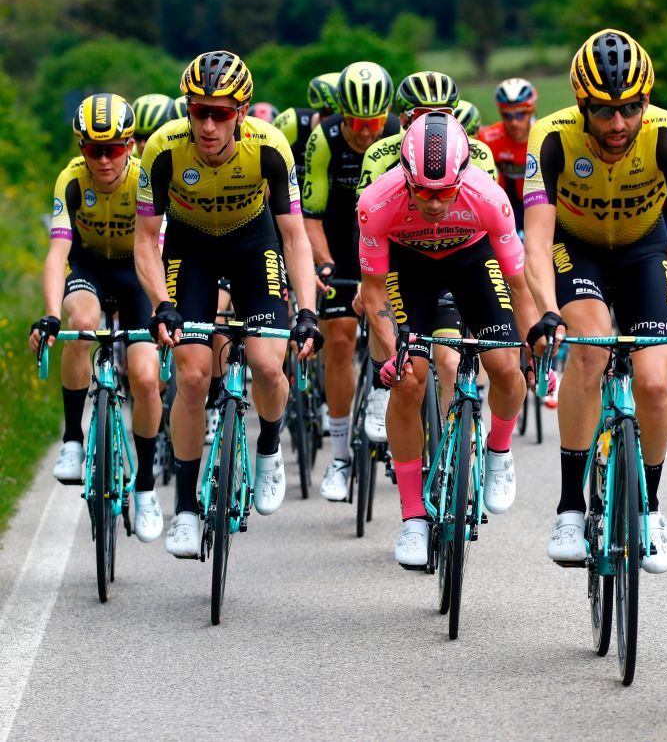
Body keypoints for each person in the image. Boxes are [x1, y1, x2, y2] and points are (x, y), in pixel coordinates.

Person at [134, 50, 322, 558]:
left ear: (240, 112)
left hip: (251, 245)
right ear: (187, 110)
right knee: (192, 377)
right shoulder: (163, 149)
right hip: (190, 250)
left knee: (266, 364)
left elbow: (294, 237)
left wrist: (305, 309)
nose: (209, 124)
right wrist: (162, 303)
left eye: (220, 113)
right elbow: (146, 239)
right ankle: (189, 508)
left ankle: (268, 447)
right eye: (199, 111)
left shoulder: (269, 147)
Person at [524, 29, 667, 575]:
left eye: (631, 109)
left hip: (645, 248)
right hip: (578, 249)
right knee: (590, 351)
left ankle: (651, 507)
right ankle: (570, 505)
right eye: (603, 111)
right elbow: (537, 242)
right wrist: (547, 310)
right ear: (580, 105)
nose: (618, 125)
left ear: (646, 101)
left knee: (657, 380)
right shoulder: (551, 137)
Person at [358, 112, 538, 567]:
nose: (434, 203)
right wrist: (392, 348)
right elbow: (374, 291)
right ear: (404, 174)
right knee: (409, 379)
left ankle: (498, 449)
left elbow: (519, 286)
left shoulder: (489, 197)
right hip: (409, 266)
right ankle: (413, 517)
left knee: (506, 370)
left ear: (463, 175)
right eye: (422, 191)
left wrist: (533, 343)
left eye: (444, 193)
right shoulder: (377, 202)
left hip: (471, 261)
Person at [29, 94, 164, 542]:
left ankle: (145, 484)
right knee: (81, 324)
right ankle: (72, 439)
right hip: (87, 267)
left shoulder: (146, 178)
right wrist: (51, 315)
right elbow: (57, 253)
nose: (104, 160)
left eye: (114, 149)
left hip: (136, 273)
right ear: (81, 147)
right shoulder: (70, 179)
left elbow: (158, 251)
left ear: (130, 145)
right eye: (93, 149)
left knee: (145, 378)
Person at [357, 71, 499, 432]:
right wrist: (362, 278)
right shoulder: (381, 153)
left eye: (443, 114)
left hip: (460, 255)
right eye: (420, 116)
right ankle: (379, 386)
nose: (432, 125)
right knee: (377, 305)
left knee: (451, 362)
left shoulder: (477, 152)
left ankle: (459, 441)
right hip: (400, 257)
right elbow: (361, 223)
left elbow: (492, 227)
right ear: (402, 119)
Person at [302, 61, 398, 501]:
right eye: (357, 123)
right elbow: (311, 215)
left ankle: (388, 402)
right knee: (338, 338)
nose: (365, 132)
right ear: (344, 115)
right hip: (339, 239)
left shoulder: (398, 132)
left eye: (374, 122)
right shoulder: (326, 138)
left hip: (390, 242)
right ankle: (340, 456)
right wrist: (322, 262)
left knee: (400, 333)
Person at [478, 78, 536, 232]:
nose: (514, 122)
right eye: (507, 116)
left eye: (520, 114)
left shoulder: (545, 136)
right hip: (506, 208)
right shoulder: (488, 138)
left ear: (532, 110)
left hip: (539, 204)